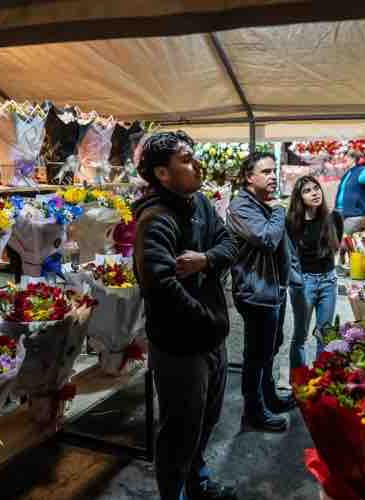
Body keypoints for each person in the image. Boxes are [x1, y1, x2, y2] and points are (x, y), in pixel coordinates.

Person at [133, 131, 238, 500]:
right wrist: (209, 321)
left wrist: (206, 259)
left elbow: (229, 243)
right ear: (163, 173)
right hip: (180, 346)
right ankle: (174, 493)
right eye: (186, 159)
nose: (196, 165)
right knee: (179, 430)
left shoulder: (202, 204)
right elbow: (161, 287)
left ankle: (199, 483)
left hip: (210, 338)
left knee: (206, 420)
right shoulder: (156, 220)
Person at [227, 152, 299, 434]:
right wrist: (280, 210)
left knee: (271, 347)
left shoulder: (261, 203)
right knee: (256, 355)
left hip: (273, 290)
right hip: (256, 292)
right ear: (249, 177)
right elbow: (267, 239)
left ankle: (269, 398)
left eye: (274, 171)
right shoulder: (241, 206)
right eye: (266, 171)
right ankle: (253, 412)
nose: (272, 176)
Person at [286, 175, 342, 370]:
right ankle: (298, 382)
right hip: (304, 283)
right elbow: (289, 254)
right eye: (307, 191)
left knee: (325, 334)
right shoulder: (293, 223)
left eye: (316, 188)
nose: (314, 193)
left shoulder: (333, 218)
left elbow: (335, 248)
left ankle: (320, 380)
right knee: (300, 336)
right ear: (299, 198)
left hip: (329, 280)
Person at [334, 151, 365, 236]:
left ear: (353, 159)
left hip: (354, 215)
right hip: (342, 213)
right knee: (339, 240)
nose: (343, 160)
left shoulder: (362, 171)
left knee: (343, 240)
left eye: (346, 158)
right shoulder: (349, 173)